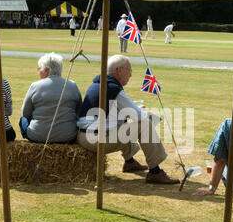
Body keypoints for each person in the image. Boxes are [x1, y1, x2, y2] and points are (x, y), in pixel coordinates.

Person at [77, 55, 180, 184]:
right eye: (129, 70)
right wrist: (141, 111)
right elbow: (139, 116)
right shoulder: (113, 88)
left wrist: (134, 110)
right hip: (95, 140)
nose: (130, 75)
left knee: (123, 123)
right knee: (144, 125)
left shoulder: (100, 84)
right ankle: (155, 172)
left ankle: (129, 162)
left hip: (84, 136)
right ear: (119, 70)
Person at [20, 53, 82, 143]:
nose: (38, 72)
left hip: (37, 136)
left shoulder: (35, 86)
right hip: (68, 136)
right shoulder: (72, 85)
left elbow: (25, 113)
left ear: (46, 70)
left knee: (22, 120)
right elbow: (79, 112)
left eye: (39, 69)